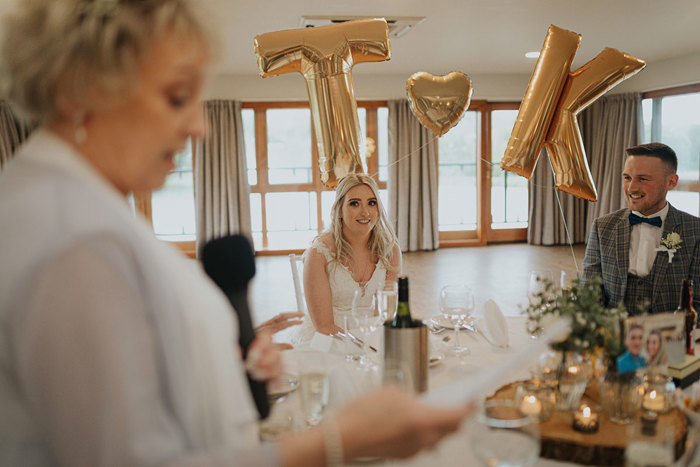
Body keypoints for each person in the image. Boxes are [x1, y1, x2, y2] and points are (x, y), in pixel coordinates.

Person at [0, 1, 472, 466]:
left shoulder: (70, 203)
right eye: (177, 97)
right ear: (81, 89)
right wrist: (339, 442)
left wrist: (220, 353)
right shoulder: (72, 241)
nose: (199, 126)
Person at [582, 143, 700, 315]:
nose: (631, 188)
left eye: (643, 179)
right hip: (614, 336)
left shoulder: (695, 231)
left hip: (672, 338)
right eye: (627, 177)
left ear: (671, 182)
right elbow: (589, 295)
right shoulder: (602, 227)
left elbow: (697, 303)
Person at [296, 173, 401, 342]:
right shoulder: (318, 254)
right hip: (329, 340)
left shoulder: (390, 250)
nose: (365, 212)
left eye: (371, 203)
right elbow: (324, 326)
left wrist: (374, 344)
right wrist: (361, 347)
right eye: (354, 204)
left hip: (372, 337)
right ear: (339, 210)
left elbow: (387, 315)